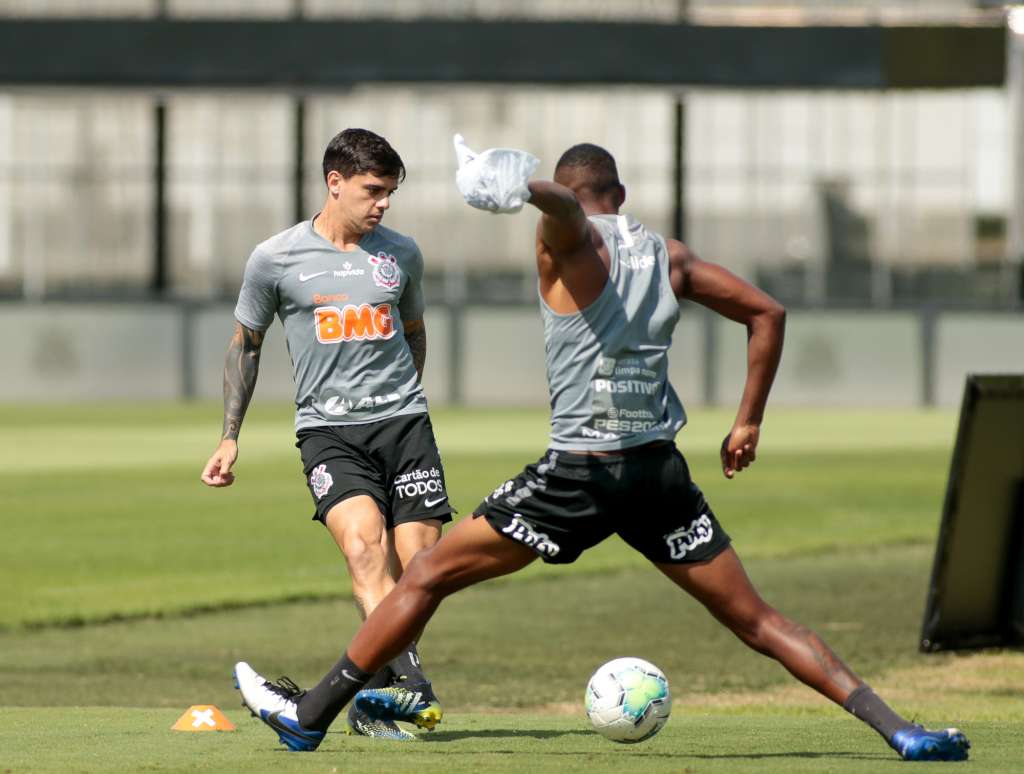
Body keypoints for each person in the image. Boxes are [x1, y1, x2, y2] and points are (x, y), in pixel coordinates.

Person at [232, 137, 971, 762]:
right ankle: (900, 731)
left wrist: (522, 187)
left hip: (578, 475)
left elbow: (563, 217)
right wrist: (748, 422)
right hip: (658, 473)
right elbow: (766, 312)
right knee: (759, 620)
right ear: (621, 192)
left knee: (423, 576)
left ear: (573, 201)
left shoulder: (569, 243)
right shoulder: (672, 257)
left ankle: (310, 717)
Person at [202, 128, 450, 742]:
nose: (383, 203)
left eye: (390, 192)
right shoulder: (274, 259)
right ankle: (410, 686)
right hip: (328, 433)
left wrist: (399, 398)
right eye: (373, 191)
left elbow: (414, 330)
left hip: (404, 426)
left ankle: (374, 692)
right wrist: (230, 435)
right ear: (334, 183)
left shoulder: (403, 255)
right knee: (365, 549)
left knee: (421, 565)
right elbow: (246, 346)